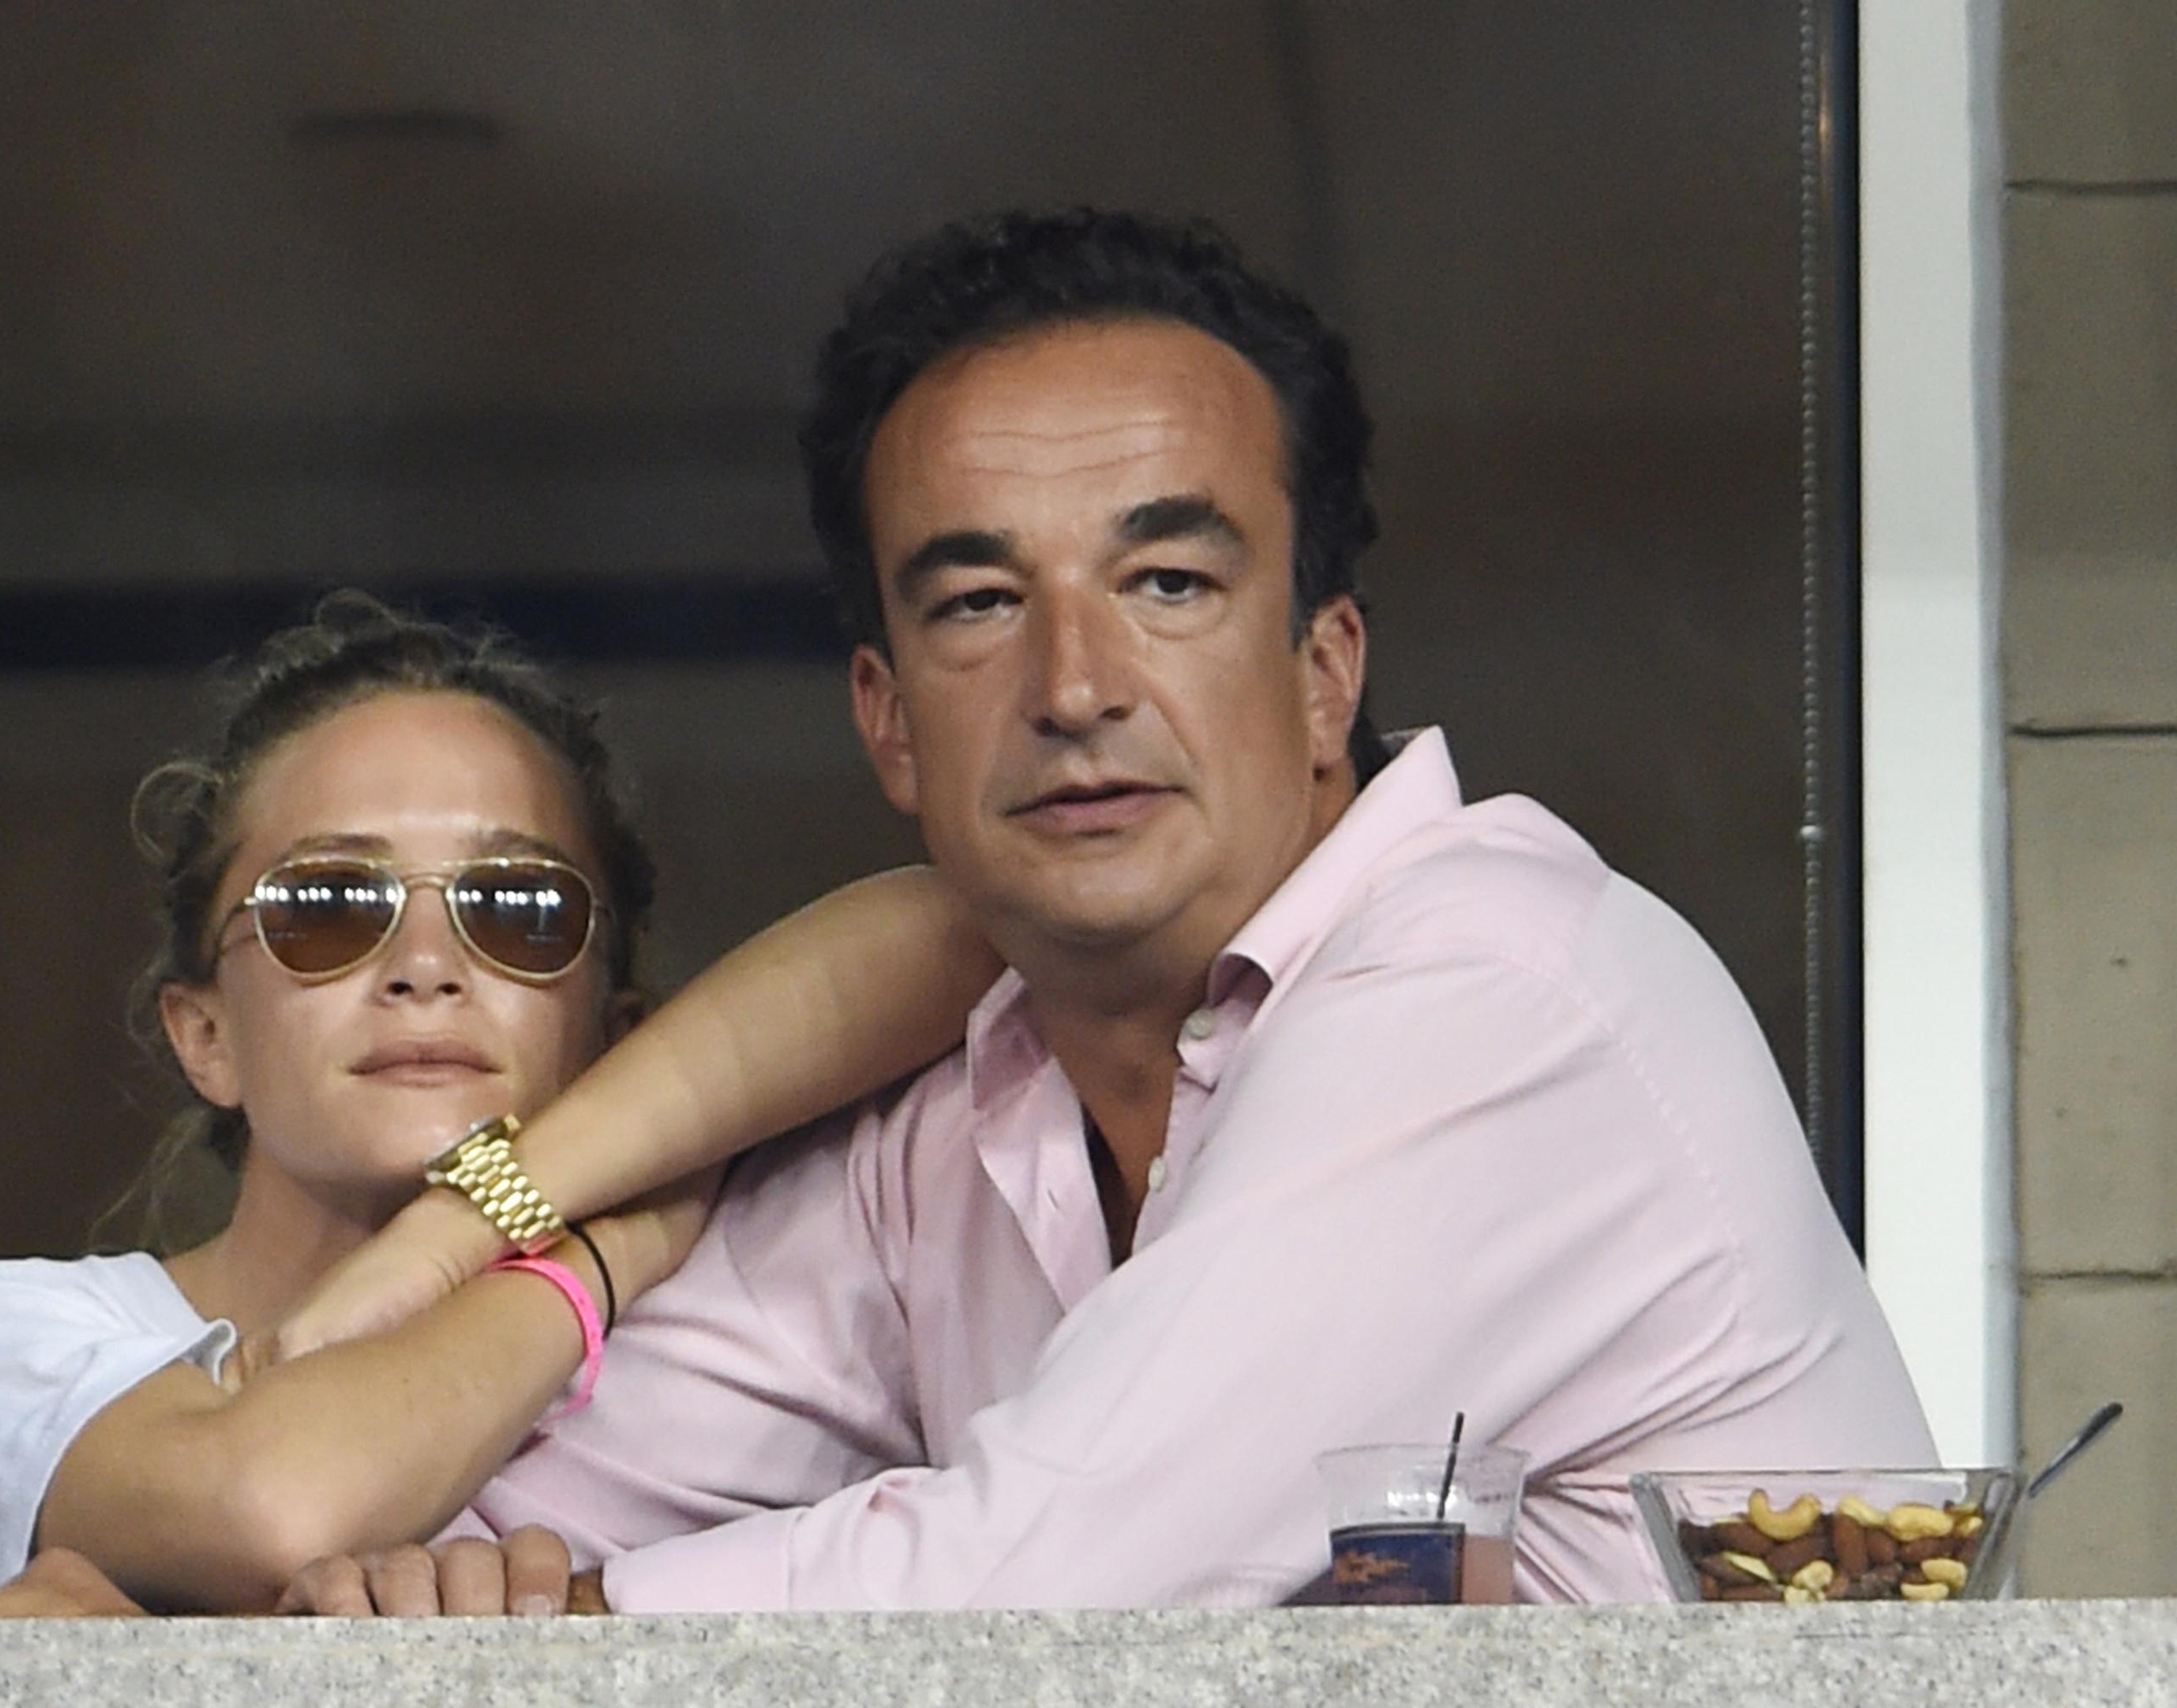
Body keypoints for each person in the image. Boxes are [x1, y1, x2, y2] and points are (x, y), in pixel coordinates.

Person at [274, 208, 1935, 1612]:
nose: (1076, 685)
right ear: (888, 722)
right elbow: (444, 1516)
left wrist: (522, 1637)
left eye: (1168, 584)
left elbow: (1043, 1574)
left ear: (1322, 672)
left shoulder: (1500, 991)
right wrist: (428, 1477)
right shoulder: (954, 1125)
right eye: (984, 602)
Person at [0, 594, 997, 1611]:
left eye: (518, 907)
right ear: (207, 1037)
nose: (425, 965)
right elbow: (276, 1511)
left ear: (617, 1035)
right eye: (329, 903)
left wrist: (474, 1224)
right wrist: (597, 1254)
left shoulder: (763, 1330)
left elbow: (975, 925)